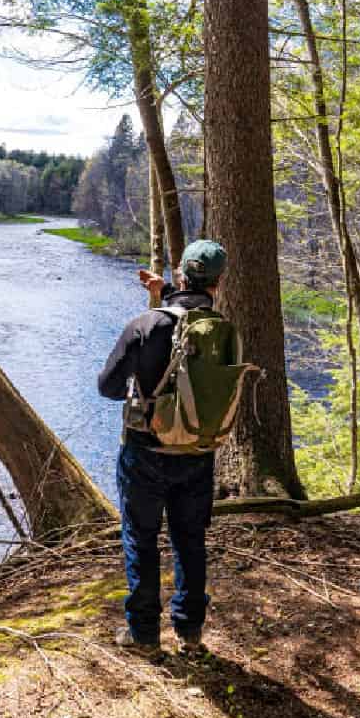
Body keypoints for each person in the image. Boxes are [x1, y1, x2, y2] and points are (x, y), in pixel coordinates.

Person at [98, 239, 228, 655]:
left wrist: (154, 309)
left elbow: (108, 387)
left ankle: (145, 635)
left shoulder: (147, 325)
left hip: (146, 452)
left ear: (180, 274)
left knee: (141, 538)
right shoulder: (221, 329)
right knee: (190, 539)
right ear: (219, 282)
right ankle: (190, 634)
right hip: (198, 452)